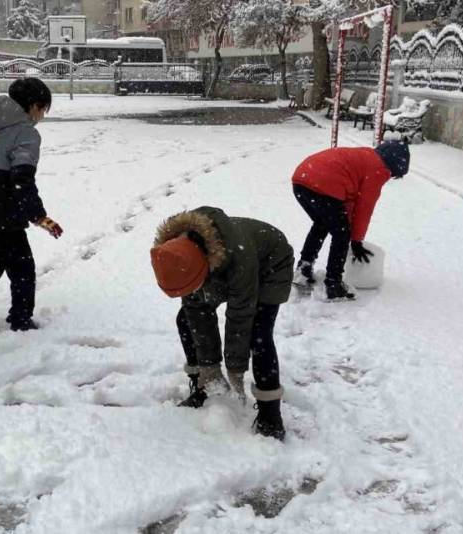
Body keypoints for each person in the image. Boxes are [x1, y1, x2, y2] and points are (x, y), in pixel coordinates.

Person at [149, 207, 294, 441]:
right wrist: (210, 368)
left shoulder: (239, 259)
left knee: (259, 333)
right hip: (216, 265)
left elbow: (240, 318)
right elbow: (197, 314)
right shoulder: (179, 255)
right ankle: (202, 387)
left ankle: (270, 414)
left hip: (270, 264)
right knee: (186, 318)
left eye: (193, 286)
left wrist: (235, 370)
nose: (193, 292)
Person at [0, 78, 62, 331]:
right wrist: (38, 216)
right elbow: (21, 178)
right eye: (43, 110)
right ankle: (20, 319)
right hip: (5, 212)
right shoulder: (26, 133)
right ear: (34, 106)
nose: (42, 117)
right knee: (23, 268)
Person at [291, 140, 410, 301]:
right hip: (323, 184)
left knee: (322, 224)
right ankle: (333, 284)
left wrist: (352, 232)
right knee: (341, 234)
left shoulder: (366, 156)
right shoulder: (379, 169)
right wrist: (356, 240)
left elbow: (351, 200)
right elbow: (364, 206)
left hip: (302, 179)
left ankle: (303, 270)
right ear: (394, 165)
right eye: (395, 174)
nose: (391, 177)